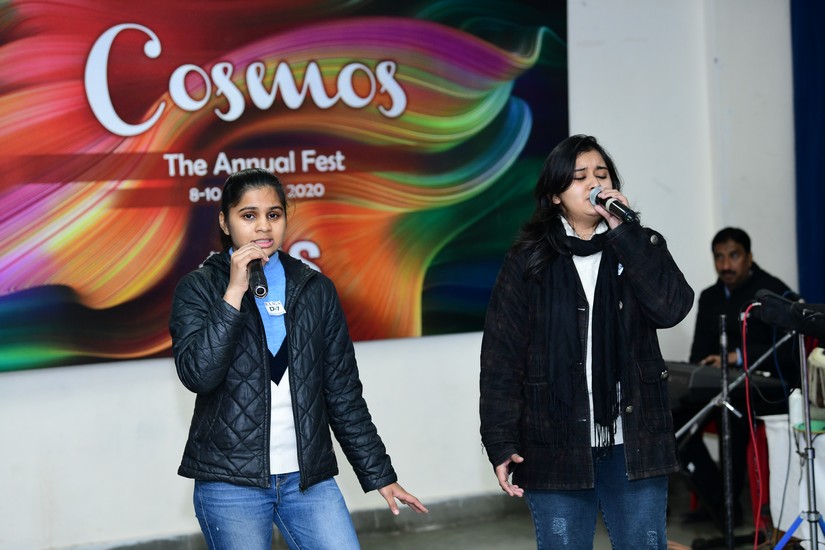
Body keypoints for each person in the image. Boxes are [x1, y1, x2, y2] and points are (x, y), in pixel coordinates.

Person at [169, 168, 427, 550]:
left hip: (307, 479)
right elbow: (199, 375)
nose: (263, 226)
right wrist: (234, 293)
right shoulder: (199, 288)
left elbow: (343, 393)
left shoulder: (315, 289)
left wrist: (379, 474)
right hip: (229, 481)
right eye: (249, 215)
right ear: (225, 222)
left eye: (273, 214)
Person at [479, 134, 694, 549]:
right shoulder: (529, 259)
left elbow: (672, 309)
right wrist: (500, 440)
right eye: (579, 177)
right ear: (555, 194)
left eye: (601, 174)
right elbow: (501, 357)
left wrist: (626, 234)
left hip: (633, 438)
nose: (594, 183)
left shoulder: (637, 245)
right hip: (555, 441)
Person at [679, 227, 797, 528]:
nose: (726, 265)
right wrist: (705, 367)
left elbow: (790, 349)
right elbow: (698, 354)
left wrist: (736, 357)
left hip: (764, 390)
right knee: (672, 421)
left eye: (733, 256)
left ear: (749, 257)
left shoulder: (772, 293)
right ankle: (718, 502)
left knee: (731, 415)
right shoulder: (710, 297)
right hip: (717, 386)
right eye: (719, 257)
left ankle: (728, 509)